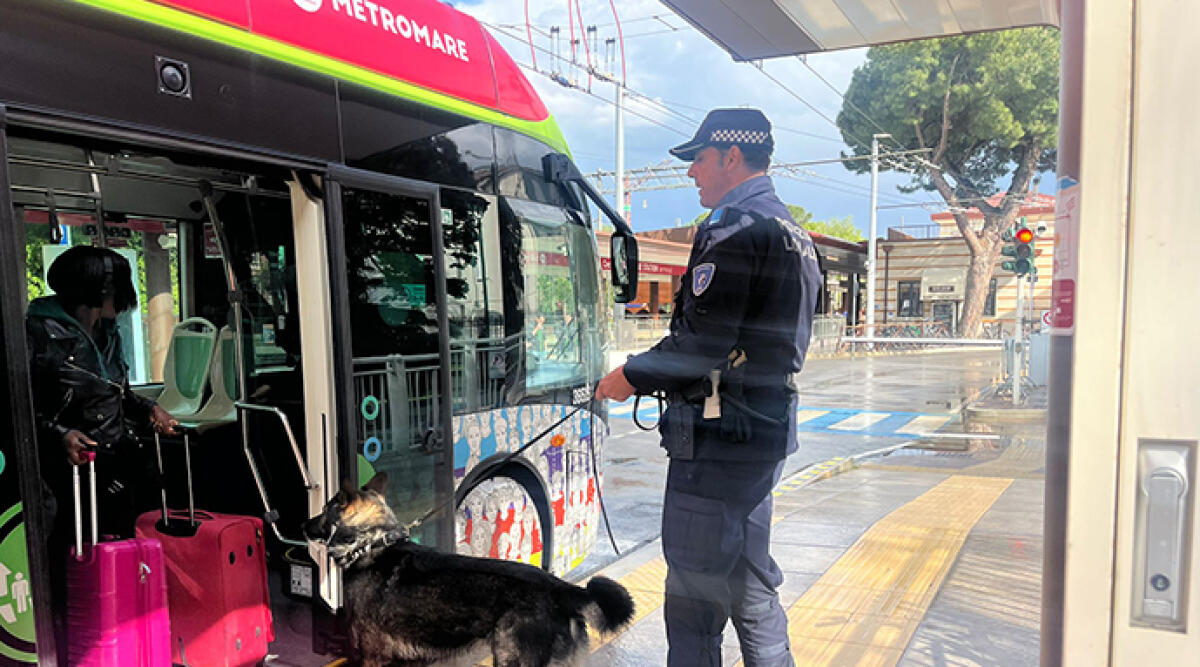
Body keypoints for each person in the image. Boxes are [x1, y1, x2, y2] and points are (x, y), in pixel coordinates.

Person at [595, 108, 822, 666]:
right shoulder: (793, 232)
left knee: (694, 601)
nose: (692, 172)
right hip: (761, 436)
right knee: (749, 583)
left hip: (719, 442)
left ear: (732, 157)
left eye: (698, 159)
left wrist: (628, 376)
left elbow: (702, 345)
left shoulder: (733, 229)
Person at [25, 246, 178, 655]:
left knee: (117, 556)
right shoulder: (40, 332)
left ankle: (119, 636)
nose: (123, 298)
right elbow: (23, 408)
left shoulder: (107, 334)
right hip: (66, 475)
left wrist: (150, 409)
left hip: (111, 462)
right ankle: (72, 644)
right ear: (94, 290)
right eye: (116, 289)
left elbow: (120, 393)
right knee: (73, 565)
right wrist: (61, 435)